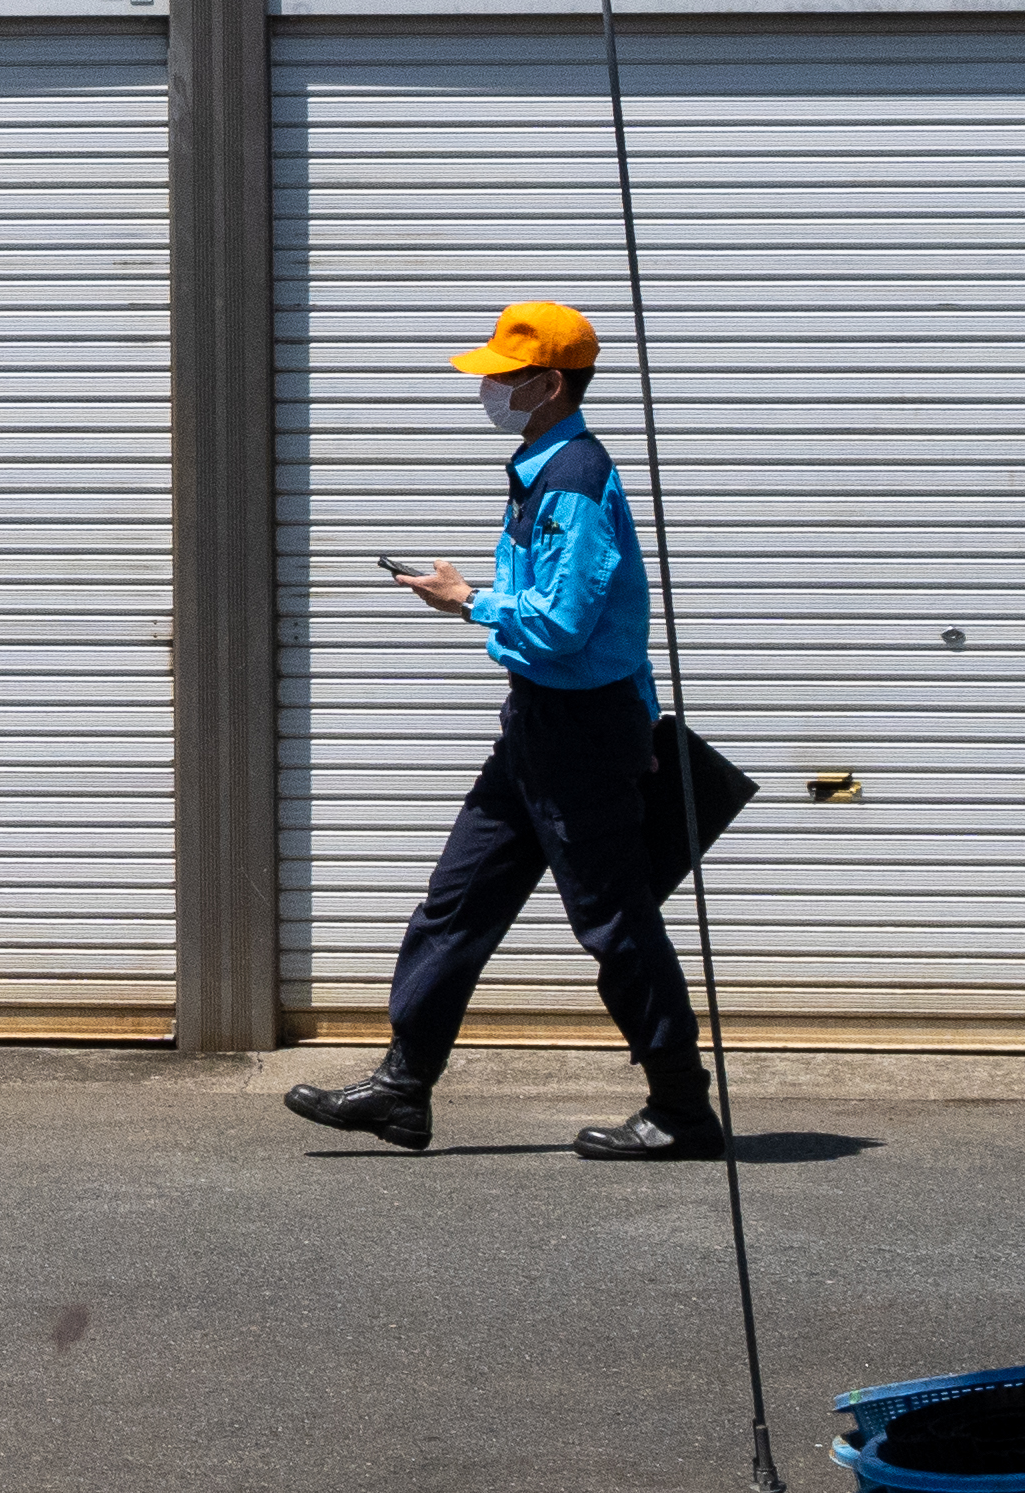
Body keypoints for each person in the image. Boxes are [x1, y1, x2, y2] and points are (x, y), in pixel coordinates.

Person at [283, 296, 728, 1165]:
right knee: (456, 903)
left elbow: (562, 626)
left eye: (504, 378)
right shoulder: (540, 468)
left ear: (551, 384)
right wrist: (473, 593)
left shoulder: (572, 481)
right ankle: (404, 1091)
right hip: (538, 725)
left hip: (581, 735)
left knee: (616, 925)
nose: (488, 391)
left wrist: (468, 602)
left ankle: (681, 1108)